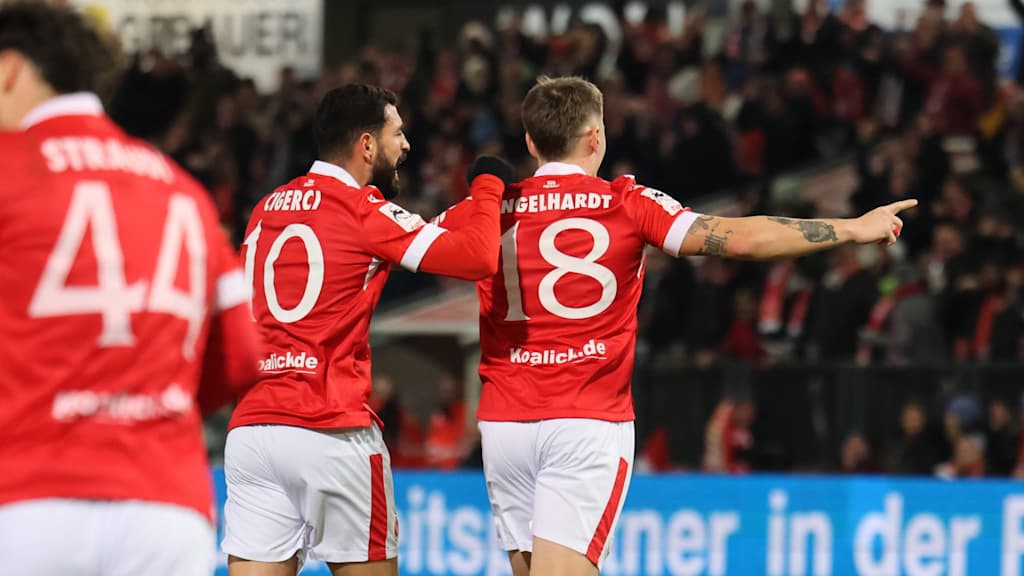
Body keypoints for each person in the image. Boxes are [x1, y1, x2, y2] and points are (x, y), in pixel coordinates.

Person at [437, 75, 916, 576]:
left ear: (531, 142)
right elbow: (743, 239)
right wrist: (853, 228)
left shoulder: (486, 210)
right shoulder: (628, 202)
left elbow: (405, 243)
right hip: (584, 421)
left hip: (504, 425)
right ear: (596, 137)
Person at [0, 4, 261, 575]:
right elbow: (243, 355)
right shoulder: (183, 189)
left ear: (10, 69)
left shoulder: (9, 166)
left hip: (27, 497)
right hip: (167, 511)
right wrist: (145, 406)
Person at [224, 83, 509, 576]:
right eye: (397, 133)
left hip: (253, 433)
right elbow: (478, 257)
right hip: (330, 429)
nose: (407, 145)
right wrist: (489, 185)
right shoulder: (361, 209)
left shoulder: (264, 210)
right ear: (367, 145)